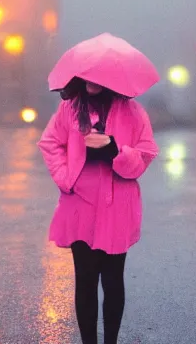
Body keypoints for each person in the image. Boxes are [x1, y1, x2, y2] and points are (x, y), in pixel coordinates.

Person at [38, 76, 158, 344]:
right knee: (86, 279)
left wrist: (115, 150)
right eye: (87, 76)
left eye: (99, 76)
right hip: (80, 204)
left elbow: (146, 154)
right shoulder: (69, 109)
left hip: (117, 206)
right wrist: (66, 177)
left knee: (113, 280)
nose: (92, 81)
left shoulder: (133, 112)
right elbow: (50, 144)